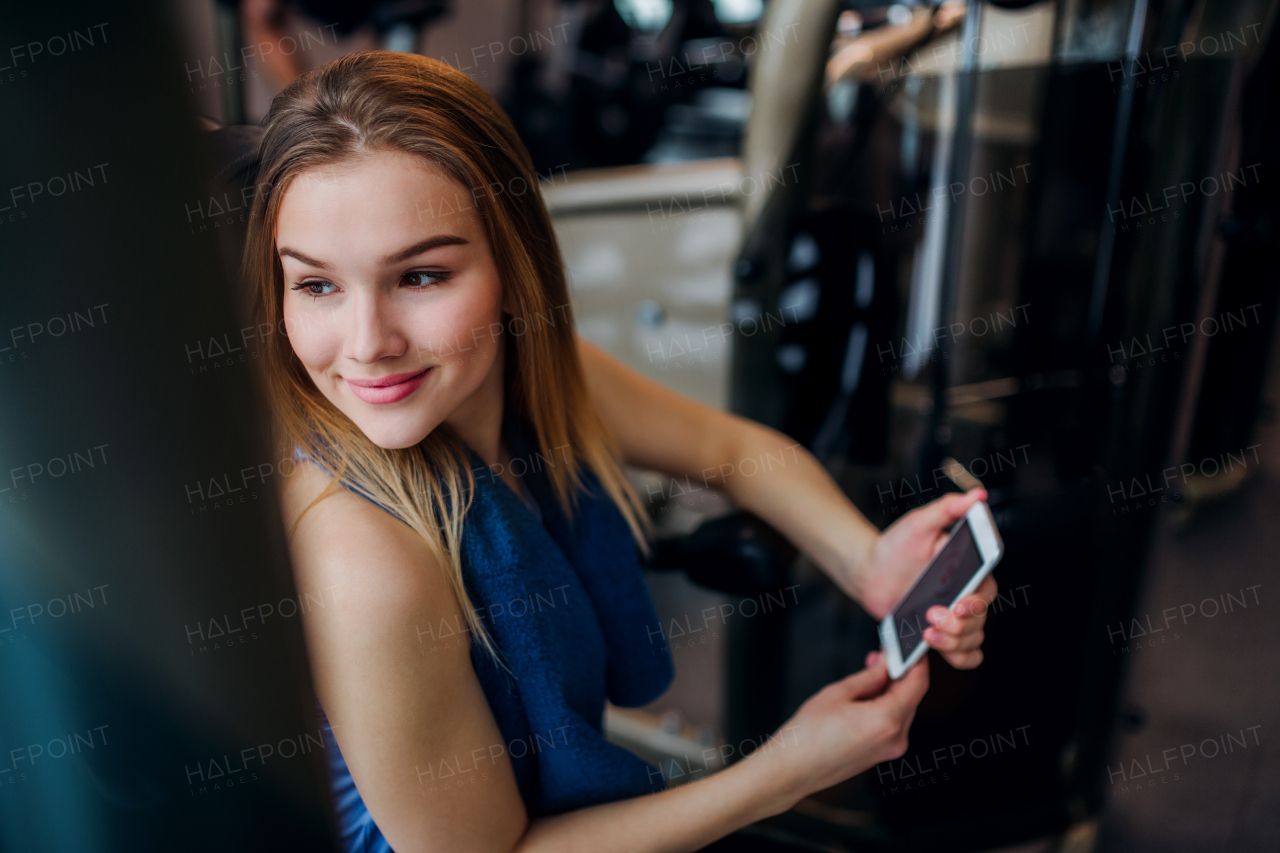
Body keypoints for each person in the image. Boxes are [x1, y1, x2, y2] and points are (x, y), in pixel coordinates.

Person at [245, 50, 996, 853]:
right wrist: (783, 773)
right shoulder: (360, 562)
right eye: (317, 285)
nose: (367, 345)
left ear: (514, 261)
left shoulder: (537, 372)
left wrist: (866, 558)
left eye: (421, 276)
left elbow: (726, 446)